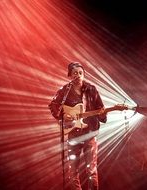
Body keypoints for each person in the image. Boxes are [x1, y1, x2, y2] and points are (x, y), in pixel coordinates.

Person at [48, 62, 107, 190]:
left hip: (90, 134)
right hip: (73, 134)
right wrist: (63, 116)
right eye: (75, 73)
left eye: (81, 73)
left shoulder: (92, 89)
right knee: (72, 172)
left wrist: (102, 114)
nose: (78, 75)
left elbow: (100, 109)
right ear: (70, 75)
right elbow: (53, 105)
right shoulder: (64, 91)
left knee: (91, 171)